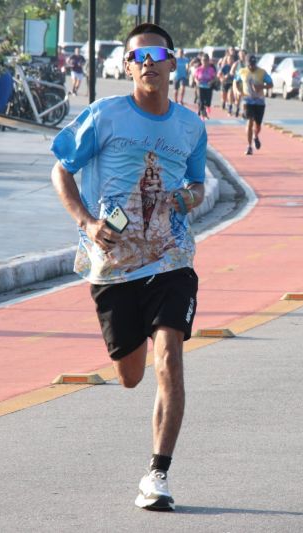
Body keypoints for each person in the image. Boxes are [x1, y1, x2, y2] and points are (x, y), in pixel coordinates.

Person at [49, 23, 207, 512]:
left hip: (171, 258)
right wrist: (87, 221)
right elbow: (61, 169)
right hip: (114, 265)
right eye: (138, 57)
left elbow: (199, 185)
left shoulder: (190, 126)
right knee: (131, 375)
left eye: (158, 54)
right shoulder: (105, 116)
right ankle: (132, 346)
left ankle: (157, 474)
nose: (148, 63)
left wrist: (185, 197)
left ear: (173, 62)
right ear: (127, 66)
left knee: (170, 361)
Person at [235, 53, 273, 155]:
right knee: (250, 121)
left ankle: (255, 136)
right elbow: (236, 82)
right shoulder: (242, 71)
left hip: (259, 101)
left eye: (253, 64)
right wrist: (238, 92)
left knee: (258, 125)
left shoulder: (262, 72)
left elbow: (270, 84)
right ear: (246, 63)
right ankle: (249, 146)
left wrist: (261, 87)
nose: (252, 66)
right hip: (247, 100)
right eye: (250, 64)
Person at [193, 54, 216, 119]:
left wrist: (211, 82)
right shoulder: (198, 69)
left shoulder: (211, 69)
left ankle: (204, 110)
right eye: (203, 60)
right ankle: (202, 113)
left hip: (208, 87)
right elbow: (195, 77)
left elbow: (214, 78)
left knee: (208, 101)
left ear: (208, 61)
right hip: (200, 86)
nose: (204, 62)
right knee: (201, 100)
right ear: (201, 61)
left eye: (206, 60)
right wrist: (197, 81)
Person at [217, 47, 236, 114]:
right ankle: (224, 103)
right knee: (224, 96)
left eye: (232, 59)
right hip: (225, 82)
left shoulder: (235, 67)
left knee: (230, 93)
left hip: (232, 83)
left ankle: (230, 107)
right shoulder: (225, 67)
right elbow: (219, 74)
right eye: (229, 59)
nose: (230, 61)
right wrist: (223, 77)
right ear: (227, 60)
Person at [230, 49, 248, 117]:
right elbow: (231, 72)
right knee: (238, 96)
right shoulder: (236, 63)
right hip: (237, 81)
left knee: (245, 97)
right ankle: (237, 108)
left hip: (245, 82)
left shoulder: (247, 63)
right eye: (241, 55)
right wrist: (236, 74)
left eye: (243, 55)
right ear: (239, 55)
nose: (242, 56)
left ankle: (244, 112)